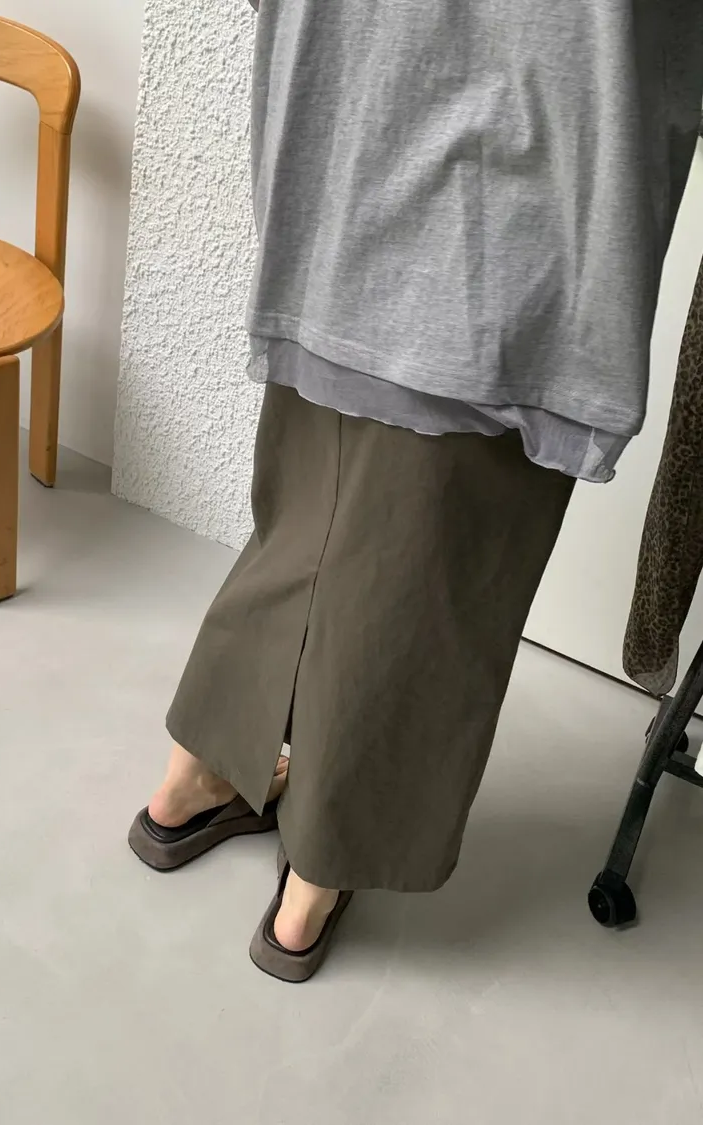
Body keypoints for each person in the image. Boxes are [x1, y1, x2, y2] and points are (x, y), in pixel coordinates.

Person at [129, 0, 703, 982]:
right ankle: (316, 879)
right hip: (525, 213)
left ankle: (192, 782)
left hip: (341, 161)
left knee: (303, 522)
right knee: (431, 580)